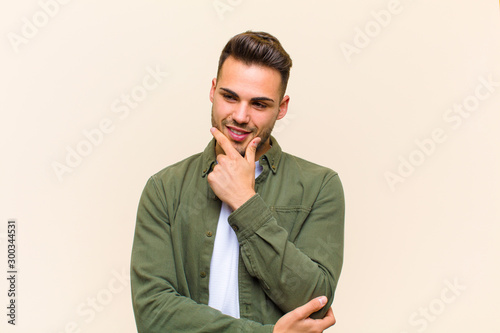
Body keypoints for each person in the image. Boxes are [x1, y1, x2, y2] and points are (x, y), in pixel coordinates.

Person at [130, 31, 345, 333]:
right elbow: (153, 314)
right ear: (213, 90)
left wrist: (245, 202)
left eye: (259, 104)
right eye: (230, 97)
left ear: (281, 108)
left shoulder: (320, 187)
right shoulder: (164, 189)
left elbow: (315, 299)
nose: (240, 116)